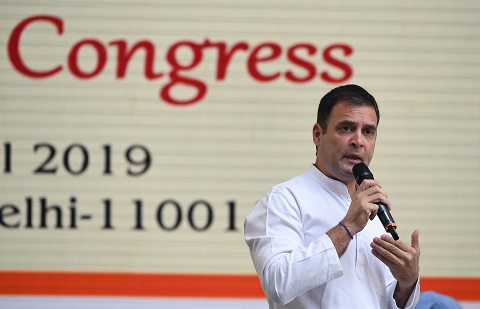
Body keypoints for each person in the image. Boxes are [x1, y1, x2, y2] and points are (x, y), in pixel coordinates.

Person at [244, 84, 421, 308]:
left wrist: (407, 283)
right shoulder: (284, 199)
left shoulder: (374, 209)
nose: (358, 141)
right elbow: (278, 284)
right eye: (346, 128)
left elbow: (379, 299)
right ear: (318, 135)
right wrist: (347, 227)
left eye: (368, 131)